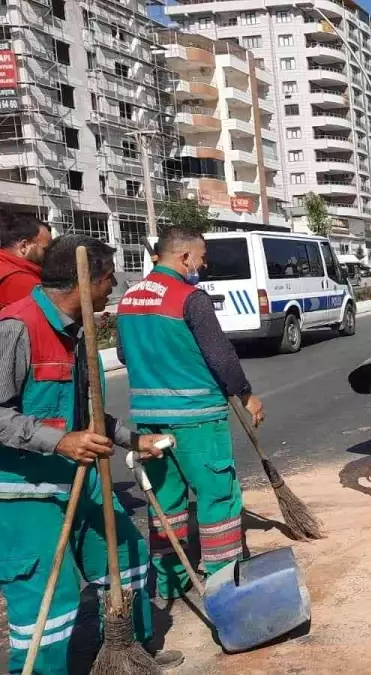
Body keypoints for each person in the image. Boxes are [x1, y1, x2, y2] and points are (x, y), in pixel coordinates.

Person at [0, 235, 183, 673]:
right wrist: (58, 441)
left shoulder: (79, 333)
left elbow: (89, 411)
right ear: (89, 281)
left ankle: (126, 654)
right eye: (109, 280)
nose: (114, 287)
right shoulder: (16, 328)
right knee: (53, 601)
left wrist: (130, 439)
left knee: (130, 557)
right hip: (26, 493)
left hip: (82, 479)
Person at [116, 225, 265, 601]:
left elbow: (122, 354)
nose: (202, 264)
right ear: (184, 257)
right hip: (197, 416)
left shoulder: (129, 298)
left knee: (166, 503)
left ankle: (170, 582)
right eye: (200, 258)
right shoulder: (190, 298)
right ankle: (224, 581)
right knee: (217, 496)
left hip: (149, 420)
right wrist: (246, 395)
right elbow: (220, 355)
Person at [0, 210, 52, 310]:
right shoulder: (21, 280)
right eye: (45, 249)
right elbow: (54, 318)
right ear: (24, 246)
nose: (49, 255)